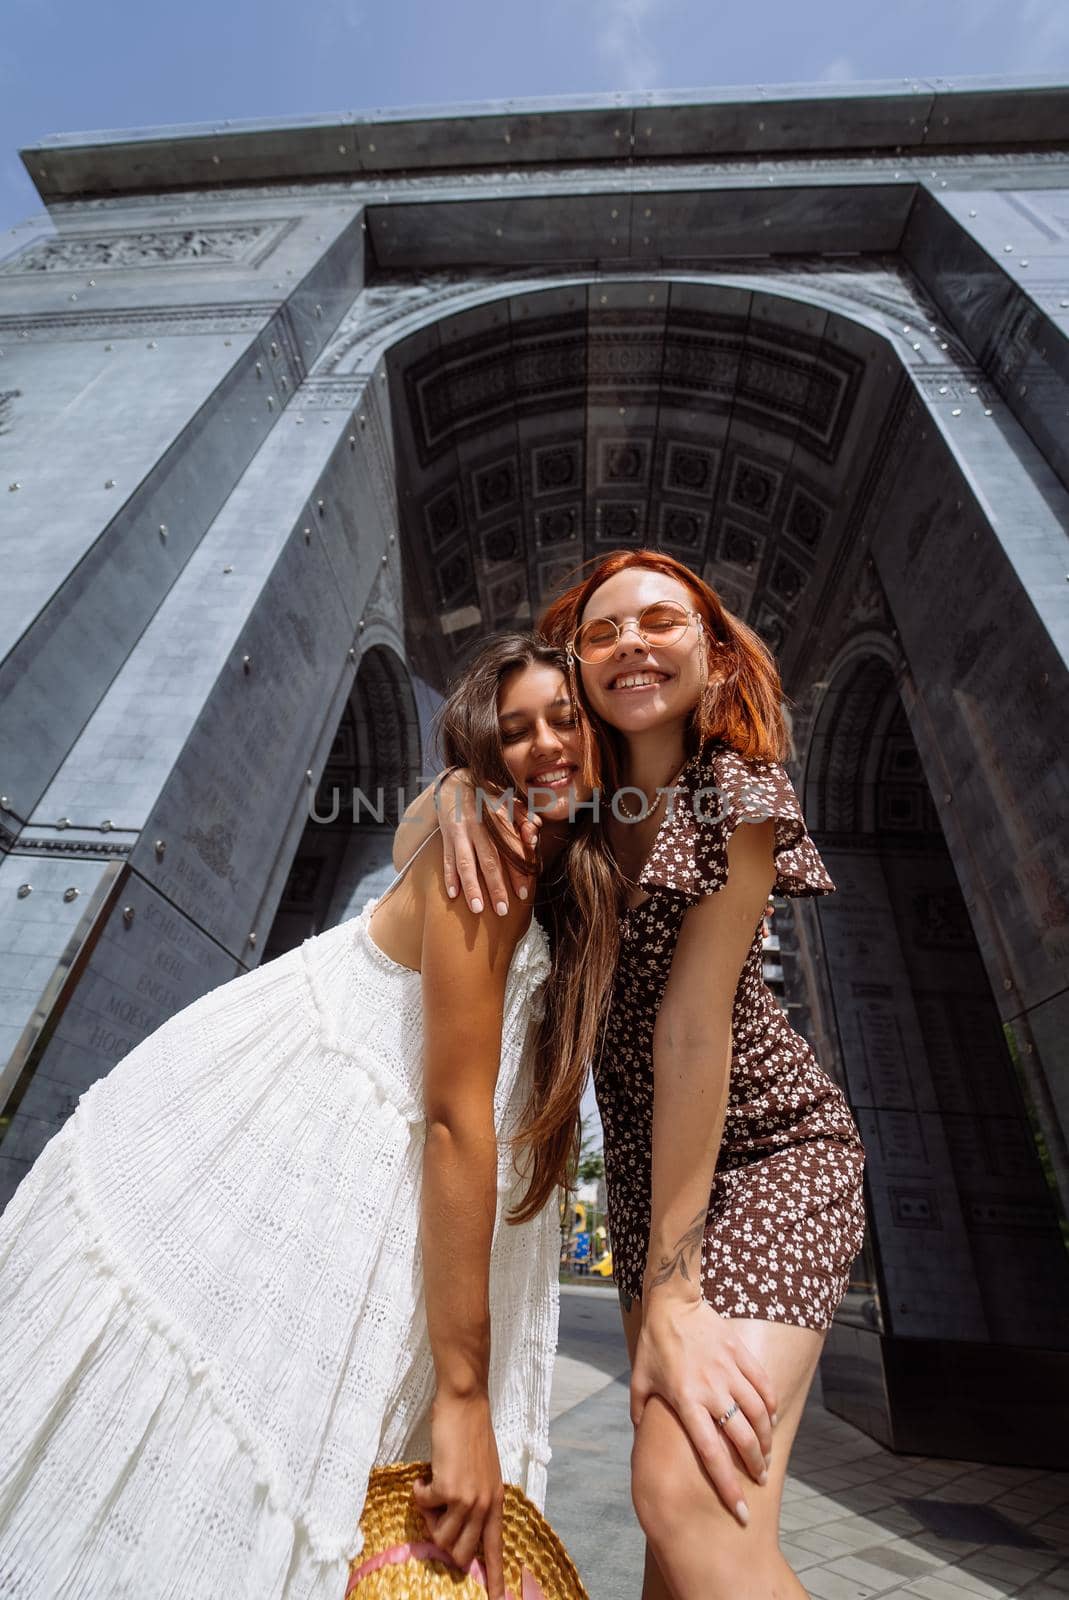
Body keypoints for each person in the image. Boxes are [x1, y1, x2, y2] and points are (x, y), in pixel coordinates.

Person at [0, 633, 598, 1600]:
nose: (544, 746)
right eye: (516, 731)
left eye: (565, 721)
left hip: (365, 1145)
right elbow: (453, 1117)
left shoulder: (553, 852)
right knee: (262, 1443)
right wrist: (463, 1393)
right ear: (486, 755)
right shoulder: (495, 858)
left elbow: (415, 830)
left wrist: (444, 799)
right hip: (314, 1141)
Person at [416, 552, 867, 1600]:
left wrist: (671, 1288)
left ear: (712, 654)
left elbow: (692, 1031)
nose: (633, 642)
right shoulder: (565, 804)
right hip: (651, 1177)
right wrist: (447, 795)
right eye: (605, 630)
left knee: (680, 1492)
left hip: (771, 1155)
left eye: (662, 621)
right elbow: (426, 854)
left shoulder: (737, 791)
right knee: (689, 1526)